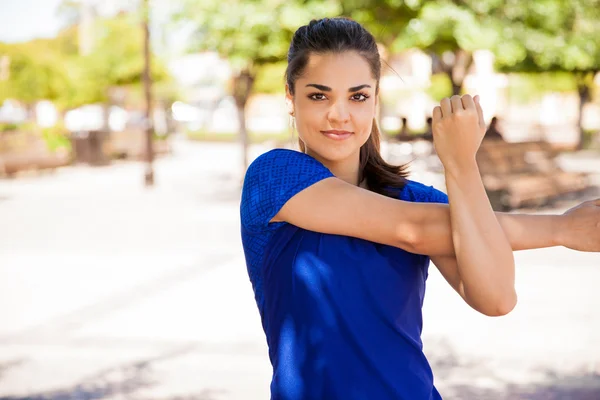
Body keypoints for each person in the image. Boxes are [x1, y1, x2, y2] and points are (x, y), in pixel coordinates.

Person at [240, 17, 600, 400]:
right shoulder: (274, 176)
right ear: (289, 98)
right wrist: (562, 229)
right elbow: (413, 231)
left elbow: (496, 298)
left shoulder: (421, 200)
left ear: (376, 100)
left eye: (358, 96)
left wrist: (461, 166)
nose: (339, 114)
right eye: (319, 96)